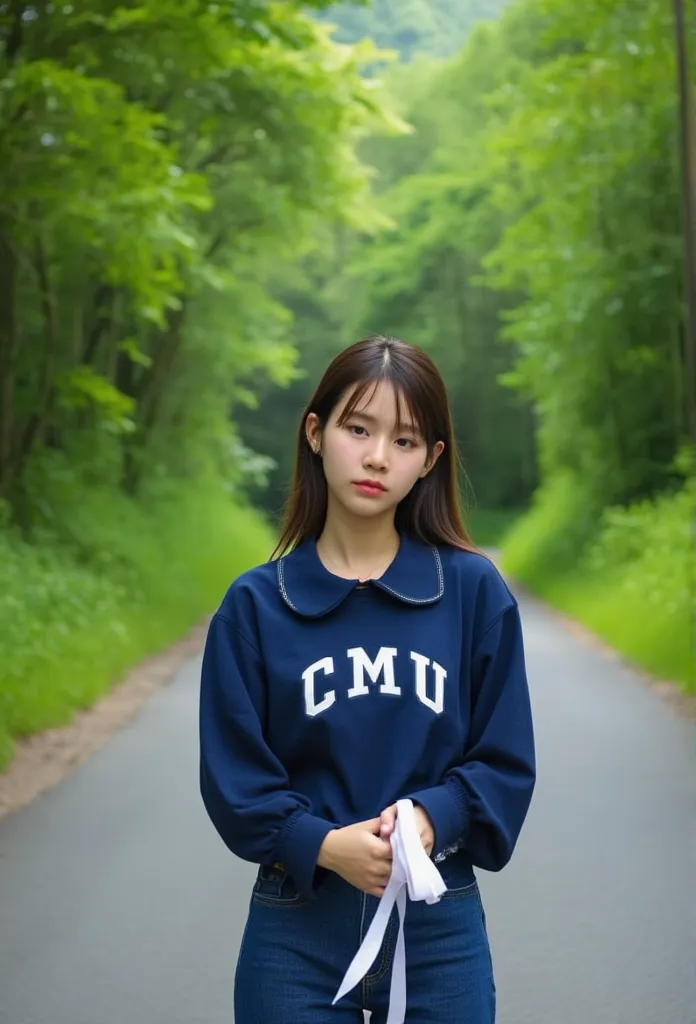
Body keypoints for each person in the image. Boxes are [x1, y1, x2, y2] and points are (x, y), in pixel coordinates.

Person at [199, 335, 536, 1023]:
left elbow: (505, 762)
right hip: (295, 932)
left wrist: (430, 815)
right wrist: (321, 844)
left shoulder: (471, 593)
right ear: (317, 433)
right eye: (359, 428)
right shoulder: (256, 607)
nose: (378, 456)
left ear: (430, 461)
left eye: (406, 440)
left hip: (439, 924)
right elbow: (235, 782)